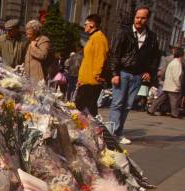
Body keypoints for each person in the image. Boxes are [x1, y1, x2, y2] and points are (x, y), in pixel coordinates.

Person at [108, 6, 161, 144]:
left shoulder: (152, 37)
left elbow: (155, 58)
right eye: (137, 17)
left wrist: (150, 72)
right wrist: (114, 73)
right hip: (123, 73)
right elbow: (115, 54)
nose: (139, 20)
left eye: (142, 18)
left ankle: (118, 134)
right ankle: (113, 133)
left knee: (127, 106)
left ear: (147, 19)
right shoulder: (124, 33)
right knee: (117, 103)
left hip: (138, 76)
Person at [75, 14, 109, 116]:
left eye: (86, 24)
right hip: (86, 80)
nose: (84, 26)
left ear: (92, 24)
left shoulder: (99, 38)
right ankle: (91, 129)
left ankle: (91, 130)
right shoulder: (93, 38)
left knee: (85, 108)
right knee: (86, 108)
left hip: (92, 81)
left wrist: (97, 75)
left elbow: (100, 58)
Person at [148, 47, 183, 118]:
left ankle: (151, 109)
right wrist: (179, 85)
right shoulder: (177, 64)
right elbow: (177, 77)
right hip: (173, 86)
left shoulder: (172, 62)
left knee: (160, 99)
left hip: (168, 85)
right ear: (181, 55)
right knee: (174, 101)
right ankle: (175, 114)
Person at [23, 19, 52, 84]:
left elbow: (43, 55)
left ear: (35, 31)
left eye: (29, 32)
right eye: (26, 31)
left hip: (38, 78)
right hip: (28, 77)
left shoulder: (43, 40)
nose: (27, 34)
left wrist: (34, 47)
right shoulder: (31, 41)